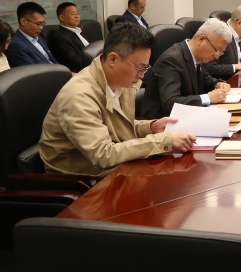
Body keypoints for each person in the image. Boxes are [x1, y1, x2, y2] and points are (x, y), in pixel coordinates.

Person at [39, 23, 195, 178]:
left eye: (145, 69)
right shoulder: (79, 95)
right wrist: (163, 141)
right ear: (113, 59)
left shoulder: (120, 80)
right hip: (82, 178)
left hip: (115, 163)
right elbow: (103, 155)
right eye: (139, 68)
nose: (142, 75)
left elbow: (115, 126)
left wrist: (150, 127)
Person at [140, 19, 233, 119]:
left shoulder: (197, 55)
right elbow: (170, 103)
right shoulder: (171, 60)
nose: (217, 56)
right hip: (160, 121)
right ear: (201, 39)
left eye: (220, 53)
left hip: (186, 116)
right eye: (217, 50)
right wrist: (208, 98)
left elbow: (203, 78)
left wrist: (217, 83)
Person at [5, 1, 58, 67]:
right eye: (38, 24)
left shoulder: (40, 37)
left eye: (42, 23)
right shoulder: (16, 45)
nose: (41, 27)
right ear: (23, 21)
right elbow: (33, 71)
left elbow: (52, 60)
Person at [49, 2, 90, 73]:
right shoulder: (60, 37)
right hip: (80, 71)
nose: (77, 16)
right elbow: (75, 61)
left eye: (77, 13)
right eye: (73, 14)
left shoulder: (79, 31)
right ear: (62, 17)